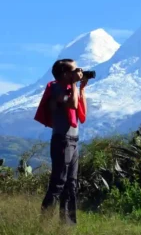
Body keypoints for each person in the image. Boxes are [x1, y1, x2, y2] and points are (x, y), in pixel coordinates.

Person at [39, 58, 88, 226]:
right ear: (66, 74)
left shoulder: (69, 87)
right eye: (75, 71)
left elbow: (82, 113)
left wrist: (81, 88)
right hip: (62, 140)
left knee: (71, 184)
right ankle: (43, 224)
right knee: (58, 183)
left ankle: (67, 225)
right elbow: (72, 104)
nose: (78, 73)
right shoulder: (55, 88)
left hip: (73, 139)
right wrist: (74, 84)